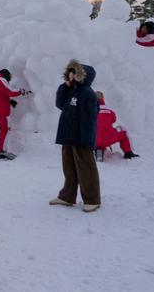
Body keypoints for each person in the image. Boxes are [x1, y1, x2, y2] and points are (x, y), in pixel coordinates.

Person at [49, 60, 101, 212]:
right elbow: (60, 104)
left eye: (74, 72)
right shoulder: (71, 90)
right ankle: (67, 196)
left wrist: (86, 140)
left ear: (81, 76)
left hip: (81, 138)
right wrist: (64, 87)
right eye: (70, 71)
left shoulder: (87, 93)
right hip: (68, 135)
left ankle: (92, 199)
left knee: (86, 169)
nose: (70, 74)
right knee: (69, 168)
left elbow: (90, 119)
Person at [0, 69, 30, 158]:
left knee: (3, 129)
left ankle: (1, 151)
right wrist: (22, 92)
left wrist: (9, 102)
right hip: (2, 109)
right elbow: (10, 92)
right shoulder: (1, 79)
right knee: (4, 130)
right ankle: (1, 152)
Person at [95, 91, 139, 160]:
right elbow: (114, 120)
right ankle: (128, 153)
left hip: (92, 139)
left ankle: (99, 151)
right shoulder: (109, 109)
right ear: (103, 98)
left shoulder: (89, 109)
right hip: (107, 138)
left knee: (97, 135)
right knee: (123, 130)